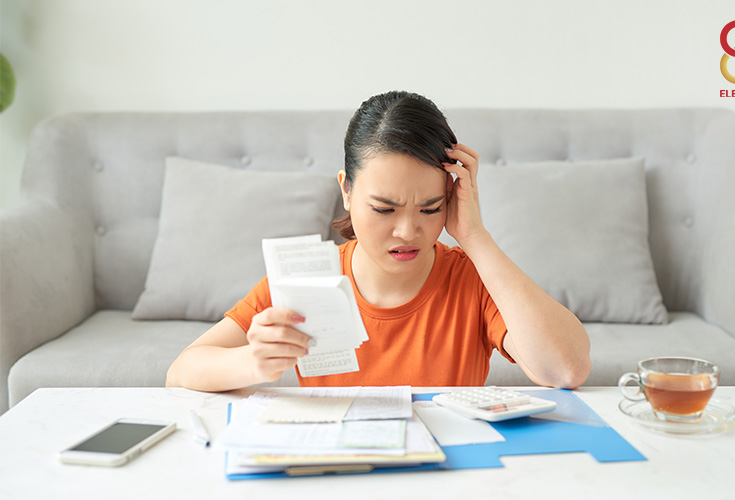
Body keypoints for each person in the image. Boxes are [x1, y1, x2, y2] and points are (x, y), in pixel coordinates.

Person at [166, 91, 590, 391]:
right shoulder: (308, 281)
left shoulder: (473, 281)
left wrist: (474, 237)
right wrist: (251, 361)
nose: (408, 232)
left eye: (430, 208)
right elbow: (181, 371)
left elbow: (566, 371)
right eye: (384, 209)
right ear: (346, 192)